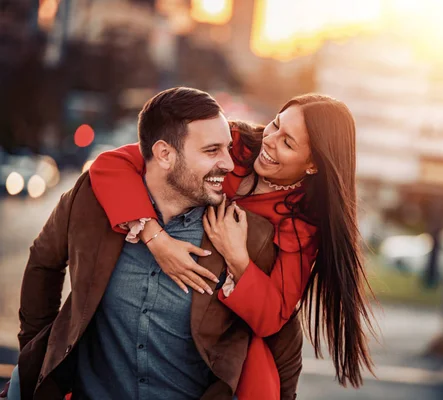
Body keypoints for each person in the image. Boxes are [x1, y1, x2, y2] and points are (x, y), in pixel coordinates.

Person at [7, 88, 303, 400]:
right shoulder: (91, 200)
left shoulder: (246, 235)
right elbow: (44, 261)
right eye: (212, 150)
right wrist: (35, 348)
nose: (229, 164)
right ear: (164, 154)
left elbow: (283, 343)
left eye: (228, 149)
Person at [87, 93, 377, 398]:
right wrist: (156, 239)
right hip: (142, 304)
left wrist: (237, 257)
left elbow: (272, 316)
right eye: (276, 125)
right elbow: (113, 164)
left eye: (288, 143)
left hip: (213, 340)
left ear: (313, 164)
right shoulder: (232, 143)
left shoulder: (301, 223)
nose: (271, 140)